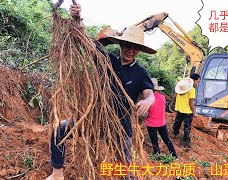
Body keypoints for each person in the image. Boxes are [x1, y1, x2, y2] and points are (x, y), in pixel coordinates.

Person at [46, 3, 155, 180]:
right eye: (127, 45)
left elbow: (149, 94)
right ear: (121, 44)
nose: (130, 50)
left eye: (135, 47)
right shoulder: (106, 60)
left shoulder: (141, 73)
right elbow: (87, 43)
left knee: (125, 170)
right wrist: (77, 18)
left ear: (139, 50)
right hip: (93, 120)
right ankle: (57, 173)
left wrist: (148, 101)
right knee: (60, 130)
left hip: (120, 126)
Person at [145, 78, 177, 158]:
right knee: (167, 140)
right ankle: (174, 155)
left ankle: (157, 155)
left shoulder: (148, 99)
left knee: (154, 141)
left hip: (151, 124)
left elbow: (145, 113)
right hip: (161, 123)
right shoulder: (162, 97)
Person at [172, 73, 200, 151]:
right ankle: (186, 143)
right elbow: (191, 102)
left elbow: (175, 96)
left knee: (177, 123)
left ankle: (175, 134)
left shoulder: (180, 87)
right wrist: (194, 112)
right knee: (187, 128)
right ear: (193, 81)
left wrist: (174, 104)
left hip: (179, 109)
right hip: (188, 112)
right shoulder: (192, 89)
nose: (197, 83)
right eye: (197, 81)